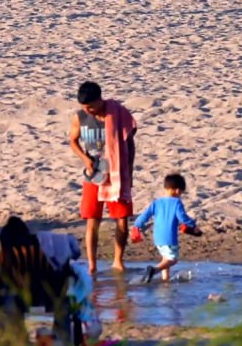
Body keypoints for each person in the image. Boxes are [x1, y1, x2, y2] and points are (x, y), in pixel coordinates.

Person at [69, 81, 137, 274]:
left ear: (100, 100)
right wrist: (84, 159)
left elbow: (130, 144)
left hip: (117, 173)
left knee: (121, 218)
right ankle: (92, 265)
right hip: (93, 175)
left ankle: (118, 260)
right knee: (92, 219)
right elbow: (72, 141)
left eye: (91, 106)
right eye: (84, 107)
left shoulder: (118, 113)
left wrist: (129, 172)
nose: (88, 110)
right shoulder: (80, 117)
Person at [132, 173, 202, 283]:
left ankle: (165, 280)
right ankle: (154, 270)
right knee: (172, 259)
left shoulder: (157, 202)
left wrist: (137, 226)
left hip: (157, 238)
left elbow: (144, 215)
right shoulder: (176, 202)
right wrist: (193, 225)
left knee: (165, 258)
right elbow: (182, 218)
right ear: (178, 190)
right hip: (169, 238)